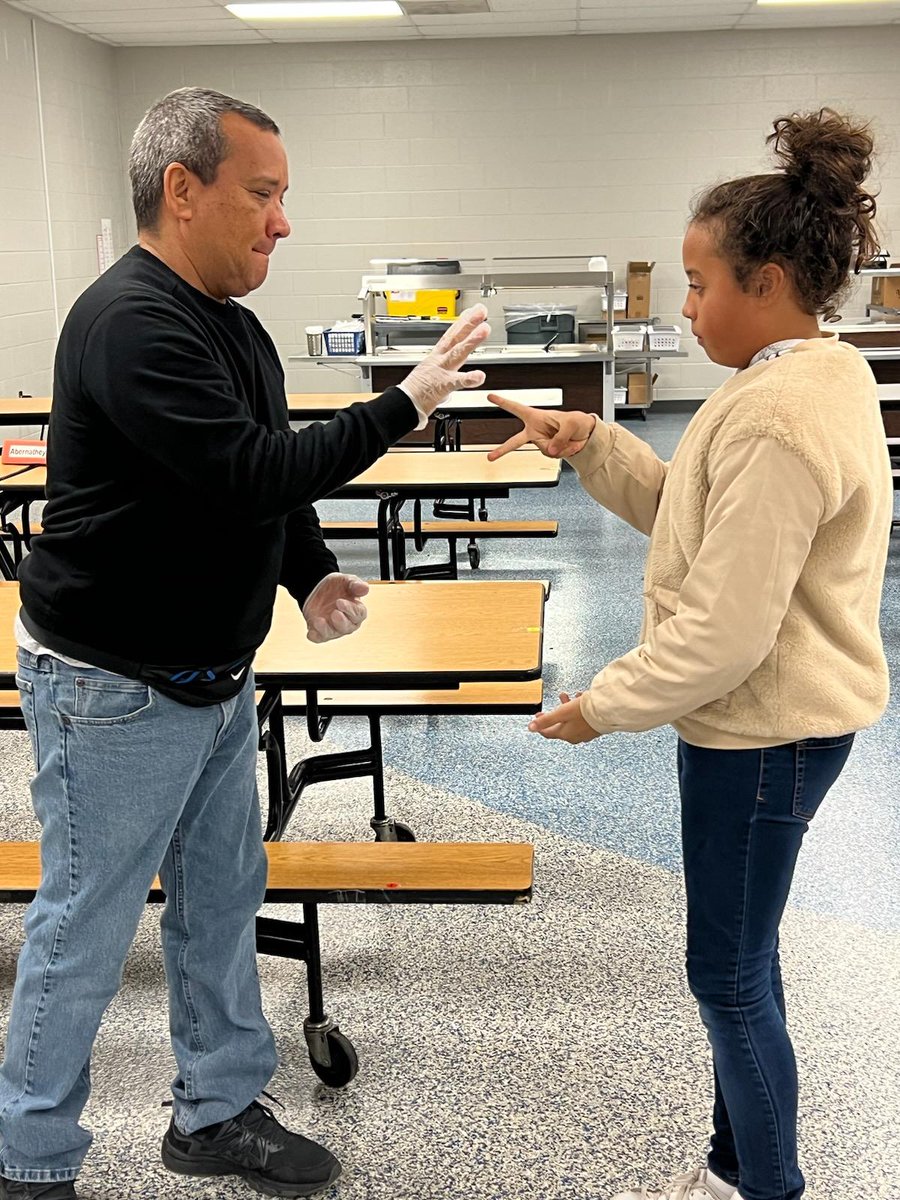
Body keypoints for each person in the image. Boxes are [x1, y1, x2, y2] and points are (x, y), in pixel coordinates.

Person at [0, 87, 491, 1200]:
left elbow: (258, 480)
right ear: (184, 192)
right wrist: (402, 405)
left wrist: (308, 571)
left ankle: (214, 1112)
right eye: (263, 194)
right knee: (86, 924)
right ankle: (28, 1159)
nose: (282, 222)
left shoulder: (228, 319)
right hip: (112, 688)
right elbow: (251, 472)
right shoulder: (132, 322)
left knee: (223, 898)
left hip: (214, 675)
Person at [487, 109, 892, 1200]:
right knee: (740, 967)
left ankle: (765, 1184)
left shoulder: (775, 415)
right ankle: (734, 1168)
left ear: (765, 280)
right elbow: (702, 521)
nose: (685, 305)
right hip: (780, 723)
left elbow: (725, 626)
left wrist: (599, 705)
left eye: (699, 283)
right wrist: (599, 444)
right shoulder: (806, 376)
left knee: (727, 973)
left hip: (765, 735)